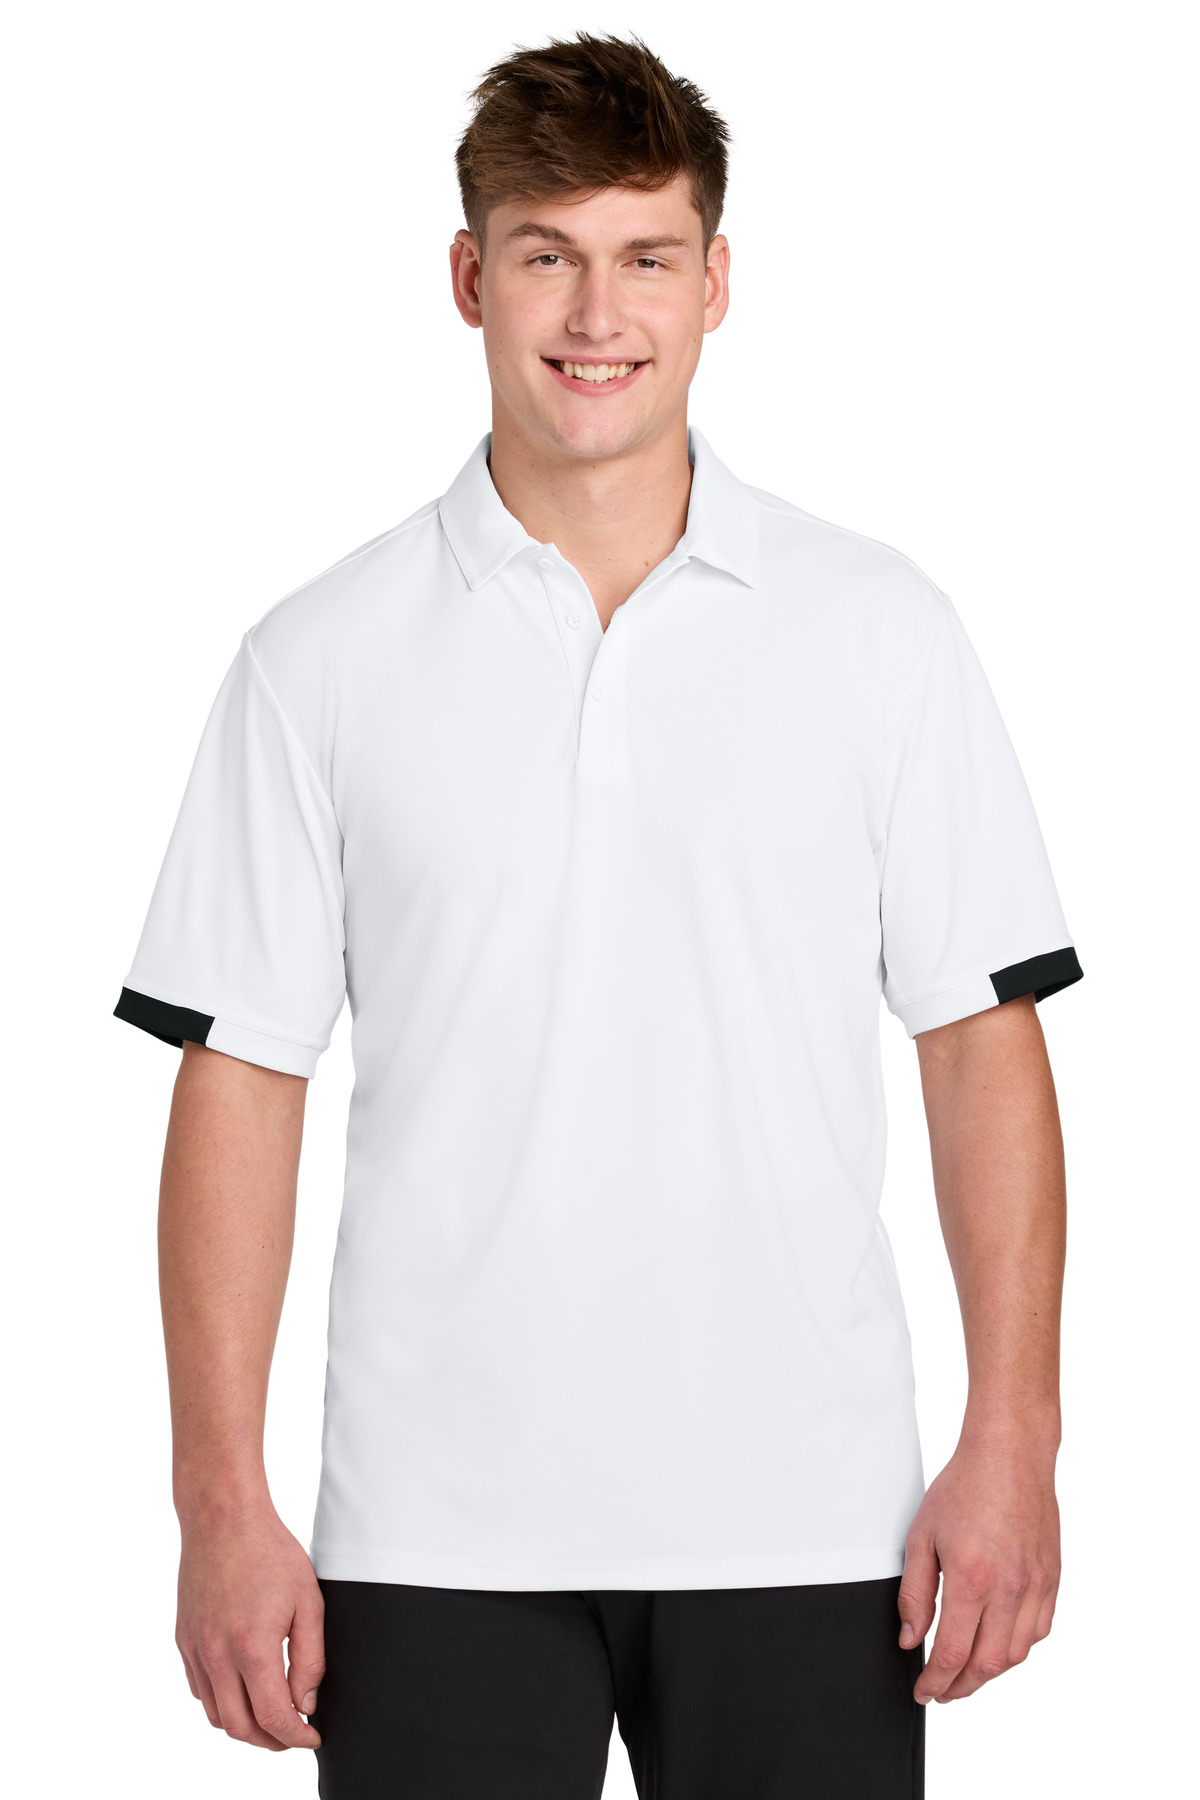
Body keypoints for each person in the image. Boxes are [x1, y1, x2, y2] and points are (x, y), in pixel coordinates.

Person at [114, 30, 1082, 1800]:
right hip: (427, 1536)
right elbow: (240, 1079)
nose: (596, 312)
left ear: (717, 283)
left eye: (646, 256)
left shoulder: (880, 631)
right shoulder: (316, 659)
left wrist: (1015, 1437)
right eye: (547, 254)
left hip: (812, 1522)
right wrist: (219, 1503)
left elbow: (977, 1040)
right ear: (468, 277)